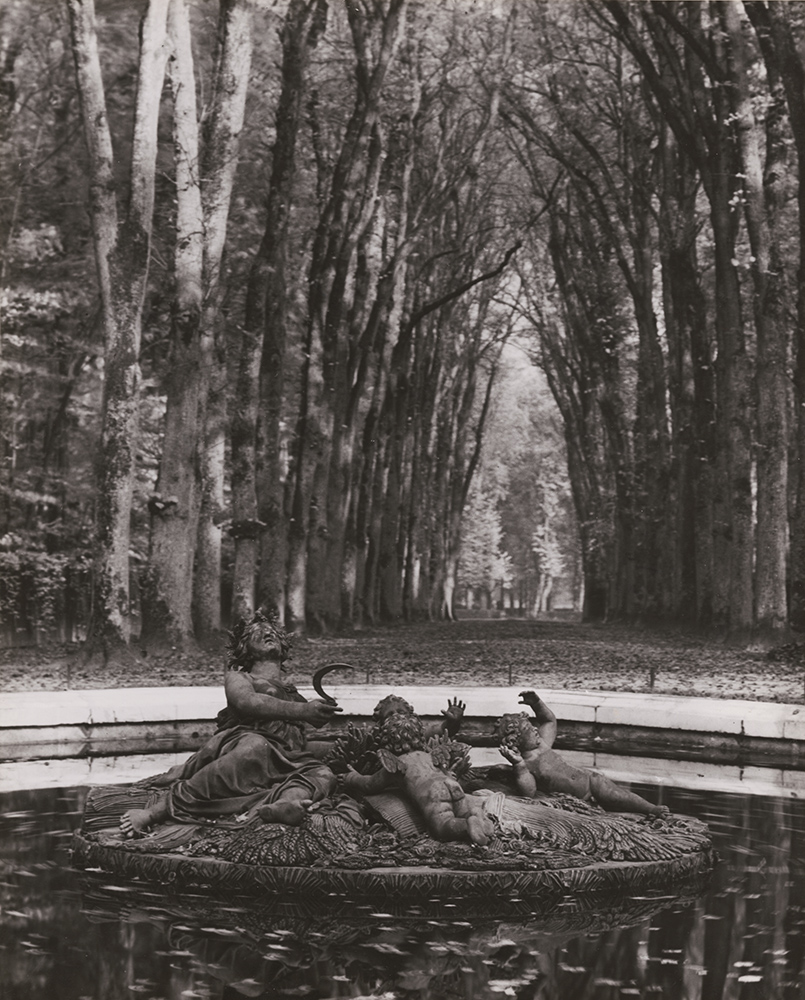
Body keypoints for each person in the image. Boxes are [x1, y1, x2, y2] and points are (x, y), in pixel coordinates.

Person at [120, 611, 342, 838]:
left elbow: (303, 741)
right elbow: (248, 702)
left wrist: (341, 743)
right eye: (259, 632)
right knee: (256, 747)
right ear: (244, 647)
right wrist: (303, 711)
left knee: (322, 772)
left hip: (285, 758)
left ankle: (285, 804)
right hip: (246, 742)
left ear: (284, 646)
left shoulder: (293, 695)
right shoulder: (240, 677)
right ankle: (154, 813)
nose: (268, 633)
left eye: (273, 632)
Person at [496, 690, 669, 817]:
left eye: (531, 725)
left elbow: (549, 721)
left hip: (589, 781)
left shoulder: (542, 745)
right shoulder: (527, 763)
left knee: (619, 796)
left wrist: (537, 703)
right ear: (514, 742)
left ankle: (650, 808)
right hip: (580, 794)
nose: (535, 729)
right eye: (528, 729)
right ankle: (650, 809)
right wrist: (518, 765)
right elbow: (529, 792)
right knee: (616, 800)